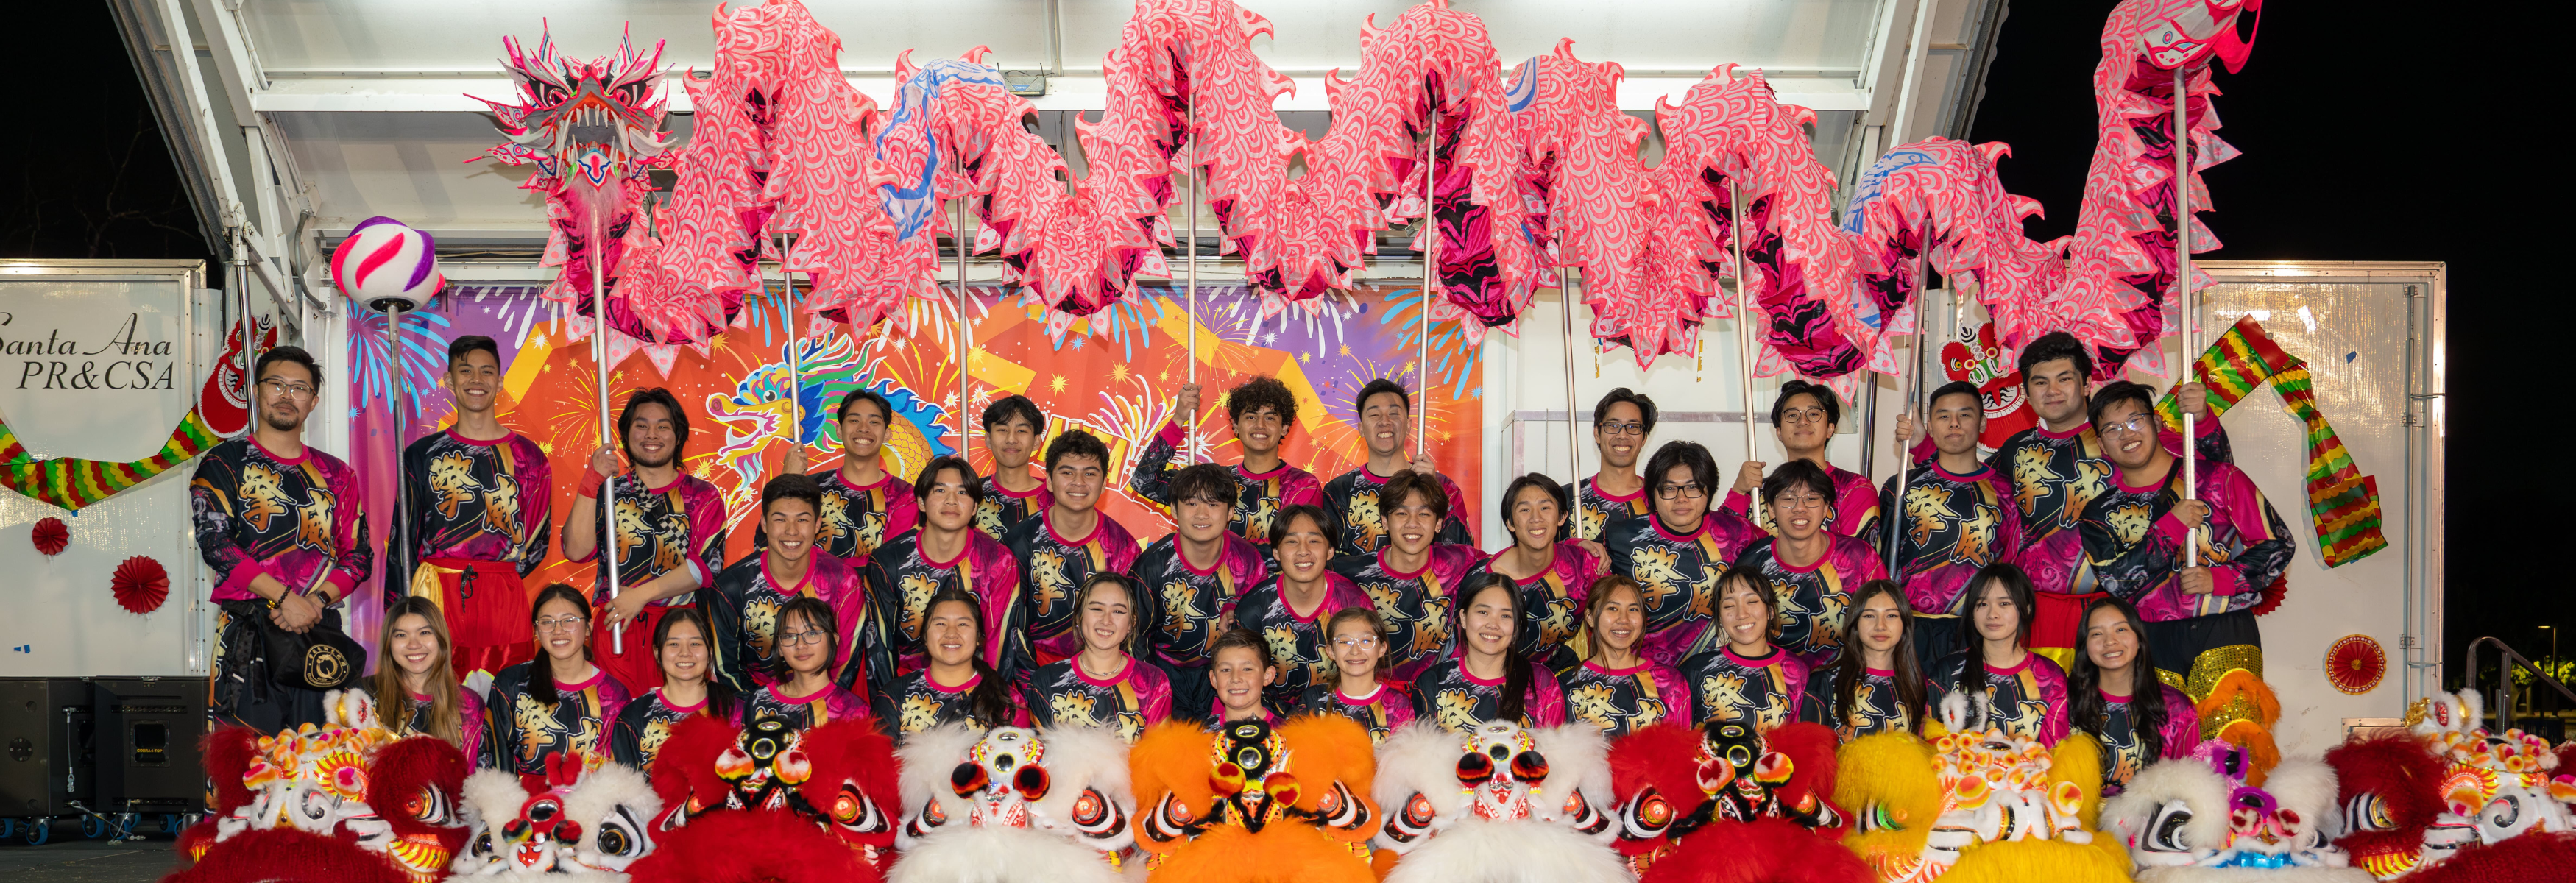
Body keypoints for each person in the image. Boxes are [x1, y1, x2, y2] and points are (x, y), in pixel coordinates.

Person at [1895, 331, 2229, 664]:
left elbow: (2217, 477)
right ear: (2026, 392)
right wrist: (1926, 447)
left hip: (2128, 607)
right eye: (2040, 382)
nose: (2052, 391)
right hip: (2041, 616)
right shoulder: (2016, 449)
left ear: (2086, 384)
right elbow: (1967, 489)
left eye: (2064, 379)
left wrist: (2201, 421)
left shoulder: (2120, 435)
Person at [2073, 381, 2291, 717]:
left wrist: (2220, 579)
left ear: (2157, 423)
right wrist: (2171, 528)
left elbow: (2278, 545)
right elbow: (2117, 583)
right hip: (2149, 638)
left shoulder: (2216, 478)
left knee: (2231, 750)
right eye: (2112, 429)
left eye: (2135, 420)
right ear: (2101, 443)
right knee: (2165, 752)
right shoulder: (2097, 513)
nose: (2127, 434)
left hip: (2224, 626)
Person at [194, 345, 372, 731]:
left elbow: (358, 556)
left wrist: (314, 602)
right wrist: (285, 598)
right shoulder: (224, 462)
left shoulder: (338, 475)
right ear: (257, 392)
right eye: (277, 384)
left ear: (313, 401)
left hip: (318, 634)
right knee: (246, 763)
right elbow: (216, 545)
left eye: (299, 388)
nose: (287, 396)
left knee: (326, 763)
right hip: (249, 637)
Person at [397, 335, 553, 678]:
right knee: (435, 695)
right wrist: (398, 612)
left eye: (486, 372)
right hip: (436, 593)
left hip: (502, 595)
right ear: (449, 380)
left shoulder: (530, 458)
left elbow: (538, 540)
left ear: (500, 381)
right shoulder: (421, 454)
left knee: (506, 696)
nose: (476, 380)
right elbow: (403, 542)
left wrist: (496, 577)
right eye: (465, 371)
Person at [562, 387, 728, 693]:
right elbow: (575, 550)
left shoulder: (702, 495)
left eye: (663, 426)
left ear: (678, 436)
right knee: (620, 723)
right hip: (617, 630)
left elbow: (705, 568)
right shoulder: (609, 492)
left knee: (678, 726)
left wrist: (639, 596)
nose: (652, 434)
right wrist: (591, 483)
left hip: (680, 631)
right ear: (626, 435)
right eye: (641, 425)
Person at [706, 474, 891, 698]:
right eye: (780, 519)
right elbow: (728, 672)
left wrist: (810, 709)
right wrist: (769, 709)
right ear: (764, 523)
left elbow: (844, 669)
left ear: (817, 525)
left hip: (825, 705)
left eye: (802, 520)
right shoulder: (730, 587)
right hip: (756, 707)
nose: (791, 531)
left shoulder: (844, 582)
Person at [1879, 380, 2022, 670]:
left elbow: (2013, 563)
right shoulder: (1901, 487)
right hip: (1911, 631)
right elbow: (1880, 563)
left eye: (1965, 415)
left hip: (1981, 630)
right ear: (1930, 426)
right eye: (1943, 416)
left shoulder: (2006, 491)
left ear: (1982, 422)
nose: (1954, 424)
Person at [1125, 463, 1269, 720]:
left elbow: (1260, 632)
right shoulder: (1151, 566)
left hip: (1227, 674)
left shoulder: (1247, 560)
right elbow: (1136, 639)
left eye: (1213, 505)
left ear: (1230, 513)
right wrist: (1152, 688)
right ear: (1174, 510)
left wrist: (1238, 615)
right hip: (1166, 671)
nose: (1202, 514)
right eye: (1191, 504)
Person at [1603, 441, 1763, 667]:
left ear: (1709, 491)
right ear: (1652, 494)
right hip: (1643, 675)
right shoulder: (1621, 536)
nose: (1681, 498)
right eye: (1669, 489)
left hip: (1714, 674)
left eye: (1693, 487)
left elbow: (1784, 554)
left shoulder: (1737, 532)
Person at [1130, 376, 1323, 564]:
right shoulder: (1214, 481)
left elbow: (1294, 551)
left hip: (1274, 592)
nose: (1260, 425)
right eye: (1251, 416)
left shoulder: (1303, 486)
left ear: (1284, 427)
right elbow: (1144, 481)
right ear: (1235, 426)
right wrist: (1179, 419)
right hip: (1216, 592)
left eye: (1270, 417)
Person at [869, 455, 1028, 681]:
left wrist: (989, 700)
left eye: (962, 492)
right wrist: (889, 705)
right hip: (908, 685)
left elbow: (1000, 645)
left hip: (976, 682)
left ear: (975, 507)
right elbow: (879, 646)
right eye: (940, 491)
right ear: (922, 502)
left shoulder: (999, 562)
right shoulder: (888, 561)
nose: (951, 500)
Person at [1727, 460, 1889, 671]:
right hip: (1777, 684)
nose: (1799, 508)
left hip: (1845, 681)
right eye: (1788, 499)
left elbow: (1888, 624)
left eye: (1811, 499)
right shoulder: (1752, 563)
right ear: (1771, 509)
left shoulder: (1859, 558)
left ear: (1826, 509)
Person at [1328, 471, 1488, 681]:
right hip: (1375, 696)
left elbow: (1511, 566)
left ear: (1439, 523)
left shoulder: (1460, 561)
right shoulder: (1352, 573)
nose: (1413, 523)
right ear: (1384, 521)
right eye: (1401, 514)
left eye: (1424, 514)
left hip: (1437, 693)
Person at [1003, 430, 1142, 665]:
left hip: (1104, 668)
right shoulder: (1019, 543)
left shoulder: (1123, 549)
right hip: (1035, 670)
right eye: (1067, 472)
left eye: (1090, 473)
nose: (1079, 482)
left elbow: (1133, 631)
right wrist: (1035, 689)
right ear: (1048, 480)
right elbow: (1010, 630)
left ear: (1104, 483)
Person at [1228, 505, 1372, 709]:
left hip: (1338, 717)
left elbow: (1367, 681)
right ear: (1276, 552)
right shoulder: (1254, 609)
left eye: (1314, 541)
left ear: (1330, 550)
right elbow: (1241, 680)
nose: (1303, 551)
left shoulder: (1355, 604)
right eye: (1291, 541)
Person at [486, 584, 632, 781]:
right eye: (547, 622)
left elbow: (615, 766)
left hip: (587, 801)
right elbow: (497, 758)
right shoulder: (511, 684)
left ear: (588, 626)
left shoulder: (613, 695)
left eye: (569, 620)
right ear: (536, 630)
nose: (558, 630)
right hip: (520, 803)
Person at [1320, 378, 1474, 556]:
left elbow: (1462, 557)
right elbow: (1331, 562)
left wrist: (1434, 492)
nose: (1385, 422)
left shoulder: (1443, 487)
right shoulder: (1339, 491)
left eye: (1393, 414)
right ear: (1361, 429)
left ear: (1408, 426)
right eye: (1374, 415)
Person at [2070, 597, 2199, 795]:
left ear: (2139, 638)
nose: (2110, 641)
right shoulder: (2065, 701)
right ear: (2085, 646)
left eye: (2120, 629)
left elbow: (2188, 791)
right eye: (2097, 633)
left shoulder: (2177, 709)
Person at [1932, 564, 2071, 746]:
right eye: (1982, 604)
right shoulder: (1946, 672)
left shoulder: (2051, 678)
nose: (1992, 614)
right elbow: (1935, 747)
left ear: (2026, 609)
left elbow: (2056, 756)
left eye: (2004, 603)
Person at [1722, 380, 1879, 539]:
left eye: (1813, 414)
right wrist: (1739, 492)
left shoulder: (1854, 488)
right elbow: (1721, 544)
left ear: (1830, 429)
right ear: (1779, 432)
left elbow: (1858, 558)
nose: (1803, 421)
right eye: (1792, 415)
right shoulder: (1758, 491)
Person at [1409, 574, 1567, 733]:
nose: (1493, 624)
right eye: (1483, 612)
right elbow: (1423, 755)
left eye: (1505, 616)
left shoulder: (1541, 682)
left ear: (1517, 628)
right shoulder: (1432, 683)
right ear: (1463, 618)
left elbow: (1554, 753)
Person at [1025, 574, 1172, 742]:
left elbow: (1157, 761)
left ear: (1131, 623)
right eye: (1097, 609)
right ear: (1079, 616)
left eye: (1118, 611)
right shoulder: (1045, 682)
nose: (1106, 620)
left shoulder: (1154, 682)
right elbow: (1044, 758)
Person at [1486, 473, 1607, 673]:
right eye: (1525, 510)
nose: (1536, 518)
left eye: (1545, 508)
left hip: (1561, 676)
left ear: (1562, 517)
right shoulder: (1486, 577)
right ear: (1510, 523)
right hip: (1500, 679)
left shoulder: (1584, 565)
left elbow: (1615, 615)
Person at [779, 389, 919, 560]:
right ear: (839, 430)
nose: (863, 429)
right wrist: (786, 481)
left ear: (887, 434)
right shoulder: (810, 489)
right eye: (854, 420)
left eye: (874, 422)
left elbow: (894, 564)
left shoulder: (903, 497)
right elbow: (773, 546)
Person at [880, 588, 1029, 740]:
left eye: (963, 624)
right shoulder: (895, 695)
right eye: (940, 624)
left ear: (978, 636)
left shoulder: (1007, 701)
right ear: (925, 636)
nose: (951, 633)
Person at [1676, 567, 1808, 731]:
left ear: (1771, 611)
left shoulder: (1796, 670)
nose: (1741, 614)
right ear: (1719, 617)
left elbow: (1803, 742)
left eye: (1752, 602)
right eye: (1729, 606)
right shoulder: (1695, 669)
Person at [1557, 576, 1691, 737]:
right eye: (1613, 608)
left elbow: (1681, 754)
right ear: (1590, 617)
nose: (1624, 619)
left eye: (1633, 610)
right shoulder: (1564, 685)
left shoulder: (1671, 683)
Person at [1799, 580, 1933, 741]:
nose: (1880, 626)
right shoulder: (1823, 683)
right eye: (1869, 615)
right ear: (1855, 622)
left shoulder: (1922, 685)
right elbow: (1810, 754)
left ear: (1905, 623)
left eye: (1891, 615)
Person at [610, 606, 735, 770]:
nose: (685, 653)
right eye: (674, 644)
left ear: (710, 652)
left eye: (695, 643)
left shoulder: (735, 712)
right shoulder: (633, 718)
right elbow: (623, 787)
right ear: (657, 652)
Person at [372, 597, 485, 767]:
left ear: (441, 639)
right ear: (389, 644)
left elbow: (471, 779)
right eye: (401, 635)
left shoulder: (468, 703)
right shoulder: (362, 695)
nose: (414, 645)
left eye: (424, 633)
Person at [740, 597, 874, 730]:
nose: (800, 645)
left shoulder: (854, 711)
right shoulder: (758, 701)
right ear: (779, 647)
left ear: (833, 640)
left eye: (812, 633)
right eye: (789, 636)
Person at [1294, 607, 1416, 742]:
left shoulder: (1397, 704)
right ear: (1331, 651)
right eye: (1345, 642)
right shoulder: (1314, 699)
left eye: (1365, 641)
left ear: (1382, 648)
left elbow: (1402, 760)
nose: (1355, 651)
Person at [1565, 388, 1657, 543]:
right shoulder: (1567, 498)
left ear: (1644, 438)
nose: (1622, 435)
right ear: (1597, 433)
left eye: (1633, 427)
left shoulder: (1660, 501)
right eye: (1613, 426)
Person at [974, 394, 1052, 539]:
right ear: (988, 439)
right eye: (1002, 430)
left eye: (1021, 431)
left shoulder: (1055, 499)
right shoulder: (971, 494)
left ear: (1036, 442)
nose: (1011, 439)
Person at [1203, 628, 1283, 726]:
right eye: (1226, 670)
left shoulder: (1290, 734)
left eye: (1247, 669)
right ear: (1214, 679)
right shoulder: (1198, 736)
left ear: (1267, 676)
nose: (1236, 678)